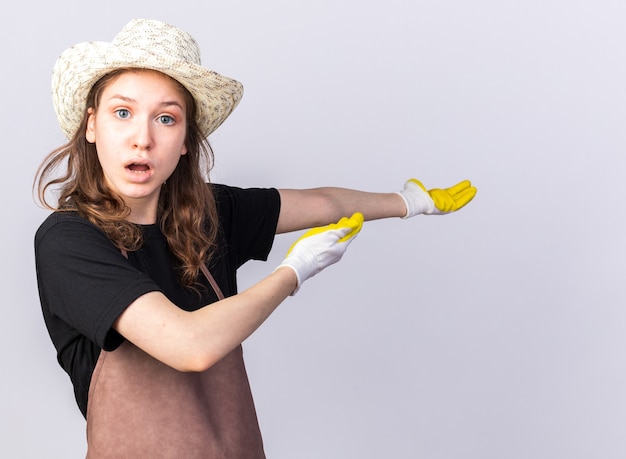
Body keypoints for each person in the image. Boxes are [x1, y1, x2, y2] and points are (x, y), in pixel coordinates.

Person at [34, 18, 477, 458]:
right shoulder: (68, 241)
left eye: (165, 118)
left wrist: (409, 201)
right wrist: (294, 271)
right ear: (92, 125)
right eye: (123, 112)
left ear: (186, 139)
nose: (142, 139)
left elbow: (323, 203)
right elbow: (188, 345)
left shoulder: (208, 215)